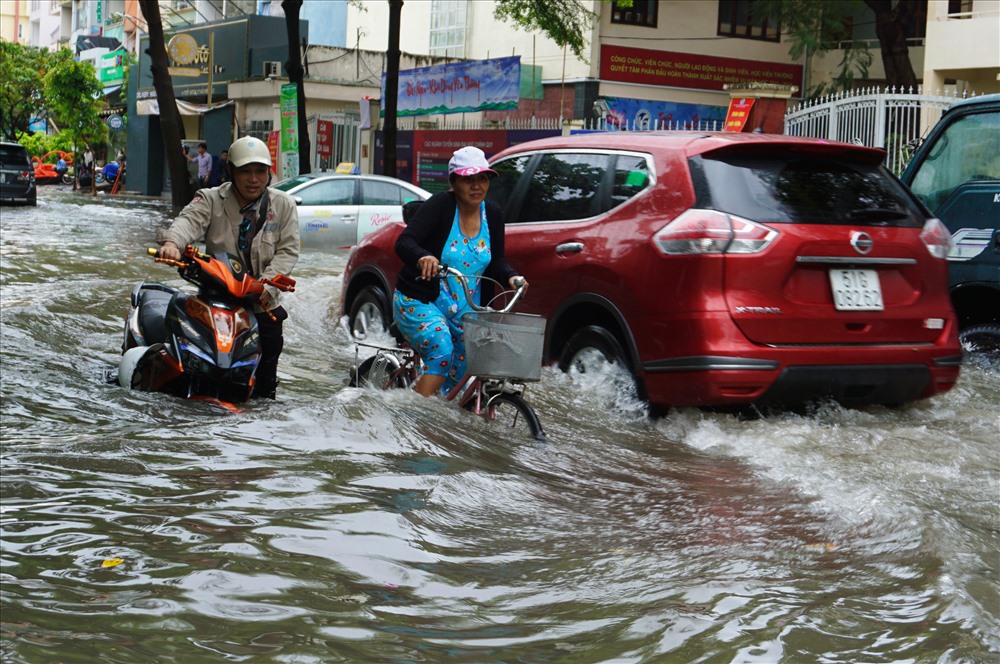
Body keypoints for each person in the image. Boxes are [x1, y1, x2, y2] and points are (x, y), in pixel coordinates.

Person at [157, 136, 300, 399]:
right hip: (218, 299)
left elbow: (288, 250)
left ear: (269, 173)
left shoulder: (283, 205)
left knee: (265, 384)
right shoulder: (211, 199)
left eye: (260, 171)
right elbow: (187, 222)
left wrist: (265, 285)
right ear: (231, 172)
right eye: (245, 171)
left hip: (262, 301)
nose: (253, 178)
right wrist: (172, 244)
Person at [393, 145, 527, 398]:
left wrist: (512, 276)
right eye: (468, 180)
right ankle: (410, 418)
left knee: (465, 371)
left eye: (482, 179)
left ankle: (442, 425)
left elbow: (497, 260)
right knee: (442, 352)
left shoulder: (494, 214)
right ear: (454, 182)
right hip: (420, 302)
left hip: (466, 311)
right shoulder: (440, 206)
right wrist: (423, 256)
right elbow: (404, 242)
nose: (477, 186)